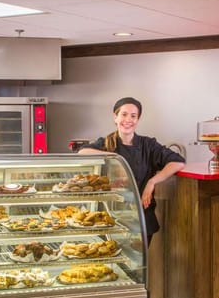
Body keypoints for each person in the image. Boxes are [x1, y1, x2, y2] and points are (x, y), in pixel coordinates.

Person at [78, 97, 185, 247]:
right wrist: (114, 156)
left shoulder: (148, 145)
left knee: (137, 267)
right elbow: (82, 152)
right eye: (124, 114)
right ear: (115, 117)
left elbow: (178, 162)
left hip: (140, 219)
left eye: (133, 116)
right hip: (109, 218)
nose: (128, 119)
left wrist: (152, 182)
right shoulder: (106, 143)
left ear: (138, 120)